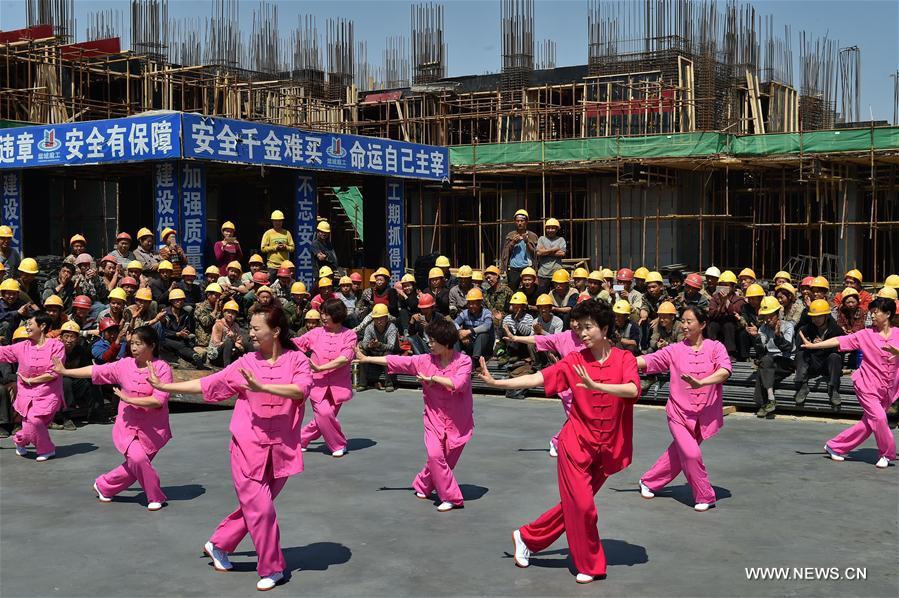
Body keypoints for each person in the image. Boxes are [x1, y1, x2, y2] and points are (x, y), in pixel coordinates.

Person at [147, 306, 312, 591]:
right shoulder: (246, 361)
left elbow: (301, 390)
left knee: (256, 507)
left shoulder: (297, 360)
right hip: (247, 448)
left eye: (257, 328)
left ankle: (219, 544)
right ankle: (273, 568)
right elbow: (210, 382)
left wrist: (263, 387)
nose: (251, 332)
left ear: (276, 331)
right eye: (250, 326)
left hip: (281, 450)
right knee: (262, 510)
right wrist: (166, 386)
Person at [478, 299, 640, 584]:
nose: (583, 334)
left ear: (604, 328)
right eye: (580, 328)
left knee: (575, 506)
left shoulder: (624, 359)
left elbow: (631, 389)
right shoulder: (575, 361)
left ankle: (527, 537)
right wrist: (497, 383)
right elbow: (538, 378)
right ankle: (590, 565)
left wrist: (596, 385)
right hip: (575, 446)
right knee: (584, 508)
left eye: (589, 328)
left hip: (605, 451)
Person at [357, 318, 474, 512]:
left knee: (446, 461)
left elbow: (459, 384)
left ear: (445, 341)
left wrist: (433, 379)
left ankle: (423, 483)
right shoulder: (424, 360)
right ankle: (451, 497)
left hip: (458, 422)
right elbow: (397, 360)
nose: (429, 344)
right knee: (436, 455)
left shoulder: (464, 361)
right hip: (434, 419)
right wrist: (366, 359)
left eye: (433, 340)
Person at [52, 326, 173, 510]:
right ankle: (155, 496)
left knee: (136, 465)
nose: (133, 347)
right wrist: (66, 372)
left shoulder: (162, 368)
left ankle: (104, 486)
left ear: (152, 345)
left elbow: (158, 400)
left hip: (153, 429)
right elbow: (95, 371)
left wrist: (128, 399)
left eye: (138, 344)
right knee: (139, 461)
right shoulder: (124, 365)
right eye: (132, 343)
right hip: (128, 425)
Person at [636, 306, 732, 511]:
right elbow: (650, 360)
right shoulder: (675, 349)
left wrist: (703, 382)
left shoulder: (716, 347)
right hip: (679, 413)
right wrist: (620, 362)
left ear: (703, 324)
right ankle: (705, 495)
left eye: (690, 321)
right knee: (690, 453)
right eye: (683, 321)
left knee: (678, 454)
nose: (685, 325)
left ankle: (649, 481)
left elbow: (724, 371)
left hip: (704, 414)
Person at [802, 298, 899, 469]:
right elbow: (839, 341)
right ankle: (886, 453)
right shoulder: (866, 335)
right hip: (867, 385)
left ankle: (834, 446)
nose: (873, 315)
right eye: (872, 312)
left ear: (888, 314)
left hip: (888, 388)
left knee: (868, 424)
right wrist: (813, 346)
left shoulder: (898, 334)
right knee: (879, 417)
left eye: (876, 312)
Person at [293, 298, 356, 458]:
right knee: (325, 415)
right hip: (317, 384)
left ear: (336, 315)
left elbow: (345, 358)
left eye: (326, 314)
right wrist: (279, 339)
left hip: (339, 386)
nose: (323, 317)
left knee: (323, 419)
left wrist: (320, 367)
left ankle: (300, 439)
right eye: (322, 313)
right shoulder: (315, 332)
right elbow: (297, 343)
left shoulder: (349, 335)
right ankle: (339, 444)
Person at [0, 311, 65, 461]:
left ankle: (22, 441)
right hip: (26, 395)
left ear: (42, 326)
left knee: (34, 421)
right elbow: (2, 352)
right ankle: (44, 448)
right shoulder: (22, 346)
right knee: (33, 422)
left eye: (30, 324)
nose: (27, 327)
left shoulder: (57, 346)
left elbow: (54, 372)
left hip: (48, 393)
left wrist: (31, 381)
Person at [793, 299, 844, 408]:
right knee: (800, 355)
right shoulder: (805, 329)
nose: (816, 319)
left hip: (827, 365)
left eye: (819, 316)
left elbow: (842, 351)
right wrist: (810, 346)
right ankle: (802, 385)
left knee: (835, 357)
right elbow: (799, 349)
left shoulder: (836, 330)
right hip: (812, 363)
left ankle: (833, 388)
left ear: (826, 316)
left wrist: (824, 346)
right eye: (813, 316)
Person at [55, 320, 105, 429]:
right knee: (65, 381)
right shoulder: (55, 349)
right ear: (61, 337)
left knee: (92, 380)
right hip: (57, 384)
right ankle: (66, 417)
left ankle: (95, 413)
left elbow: (86, 368)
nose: (69, 340)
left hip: (75, 381)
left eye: (72, 337)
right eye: (66, 336)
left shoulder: (80, 350)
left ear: (77, 339)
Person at [752, 296, 795, 418]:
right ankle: (770, 399)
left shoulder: (787, 326)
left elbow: (787, 347)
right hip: (770, 362)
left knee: (764, 366)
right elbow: (761, 349)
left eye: (771, 316)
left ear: (778, 314)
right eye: (765, 317)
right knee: (765, 362)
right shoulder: (763, 328)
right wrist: (756, 337)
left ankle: (763, 403)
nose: (768, 319)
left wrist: (778, 336)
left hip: (785, 361)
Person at [356, 304, 398, 391]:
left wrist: (379, 345)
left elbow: (391, 346)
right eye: (376, 319)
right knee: (363, 353)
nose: (379, 321)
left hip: (385, 351)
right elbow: (364, 344)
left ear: (386, 318)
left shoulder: (391, 327)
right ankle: (362, 384)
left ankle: (389, 384)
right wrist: (369, 345)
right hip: (373, 351)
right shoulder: (369, 328)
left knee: (388, 355)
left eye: (381, 318)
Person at [159, 289, 204, 368]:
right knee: (168, 342)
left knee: (186, 343)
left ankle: (194, 358)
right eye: (176, 300)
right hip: (167, 339)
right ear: (171, 301)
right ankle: (192, 355)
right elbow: (161, 331)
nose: (179, 302)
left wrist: (186, 334)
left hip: (180, 340)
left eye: (181, 300)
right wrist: (176, 334)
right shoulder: (165, 313)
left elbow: (188, 328)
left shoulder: (185, 314)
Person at [707, 270, 744, 358]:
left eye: (726, 285)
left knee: (728, 325)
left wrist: (726, 301)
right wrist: (720, 305)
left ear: (733, 286)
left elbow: (736, 311)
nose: (723, 288)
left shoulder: (738, 299)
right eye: (721, 285)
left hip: (732, 323)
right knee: (712, 325)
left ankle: (730, 353)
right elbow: (711, 313)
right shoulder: (715, 298)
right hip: (718, 321)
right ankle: (711, 351)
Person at [500, 209, 538, 290]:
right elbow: (506, 253)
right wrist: (513, 242)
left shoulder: (532, 236)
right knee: (512, 289)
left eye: (522, 221)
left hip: (528, 267)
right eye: (517, 221)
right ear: (514, 222)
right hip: (514, 268)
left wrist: (527, 242)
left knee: (528, 289)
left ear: (526, 222)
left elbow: (535, 253)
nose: (519, 223)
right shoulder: (510, 235)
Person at [454, 288, 494, 361]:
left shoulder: (486, 312)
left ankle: (476, 360)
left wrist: (468, 331)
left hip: (484, 346)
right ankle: (456, 359)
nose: (471, 306)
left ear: (480, 302)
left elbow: (487, 326)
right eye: (469, 303)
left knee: (483, 334)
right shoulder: (464, 313)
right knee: (455, 334)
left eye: (473, 303)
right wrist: (460, 333)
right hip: (470, 343)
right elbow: (454, 323)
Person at [208, 300, 249, 367]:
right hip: (216, 355)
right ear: (224, 313)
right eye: (228, 312)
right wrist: (234, 343)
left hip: (230, 353)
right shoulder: (219, 325)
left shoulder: (236, 326)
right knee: (229, 342)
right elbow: (216, 343)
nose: (230, 315)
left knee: (247, 344)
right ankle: (227, 369)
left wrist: (238, 342)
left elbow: (239, 341)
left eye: (233, 313)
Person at [261, 210, 295, 280]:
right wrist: (275, 247)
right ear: (272, 221)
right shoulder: (268, 233)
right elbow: (263, 248)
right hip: (272, 266)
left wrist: (285, 247)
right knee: (271, 285)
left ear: (282, 221)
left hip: (285, 266)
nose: (277, 223)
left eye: (279, 221)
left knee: (284, 285)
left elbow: (292, 248)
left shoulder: (287, 233)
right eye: (275, 221)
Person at [536, 218, 566, 293]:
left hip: (557, 274)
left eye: (553, 228)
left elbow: (562, 253)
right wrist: (554, 249)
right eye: (548, 228)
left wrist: (545, 251)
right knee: (542, 295)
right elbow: (539, 253)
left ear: (557, 229)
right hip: (543, 274)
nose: (550, 230)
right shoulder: (541, 239)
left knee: (557, 295)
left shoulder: (561, 240)